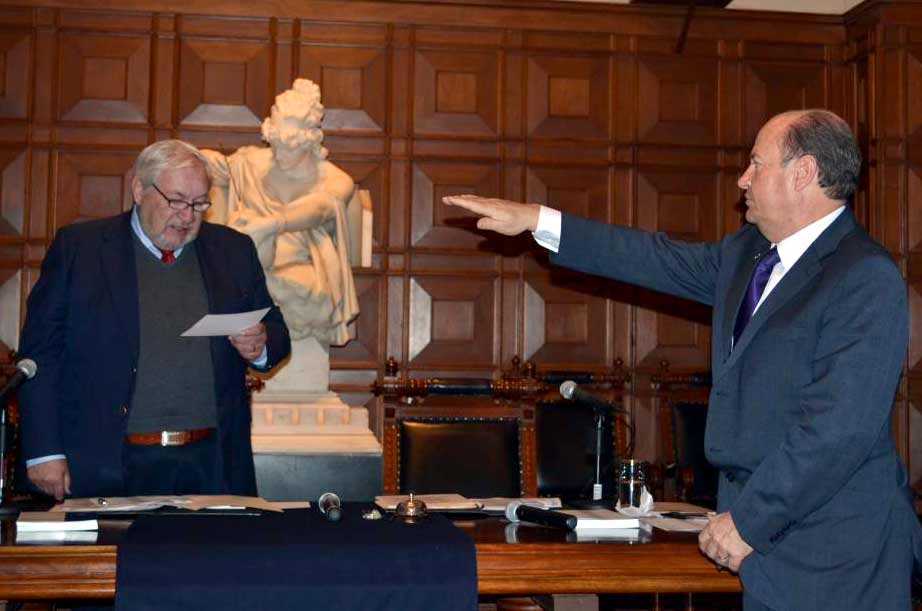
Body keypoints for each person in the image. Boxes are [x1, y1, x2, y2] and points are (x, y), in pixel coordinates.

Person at [445, 109, 922, 610]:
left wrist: (749, 520)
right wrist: (537, 221)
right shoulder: (749, 254)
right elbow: (656, 258)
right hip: (769, 549)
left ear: (802, 173)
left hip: (837, 553)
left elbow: (837, 432)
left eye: (756, 164)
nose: (743, 180)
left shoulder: (863, 277)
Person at [17, 139, 291, 500]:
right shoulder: (80, 250)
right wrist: (44, 450)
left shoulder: (233, 250)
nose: (188, 215)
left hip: (211, 461)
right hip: (110, 460)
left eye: (199, 203)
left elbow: (276, 333)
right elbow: (40, 356)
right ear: (138, 189)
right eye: (176, 200)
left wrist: (260, 346)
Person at [202, 78, 359, 345]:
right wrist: (203, 159)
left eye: (291, 147)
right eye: (276, 144)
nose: (281, 154)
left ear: (310, 142)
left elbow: (320, 208)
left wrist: (271, 224)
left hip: (301, 268)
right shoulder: (250, 162)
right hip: (253, 262)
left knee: (296, 287)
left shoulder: (334, 179)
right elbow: (212, 166)